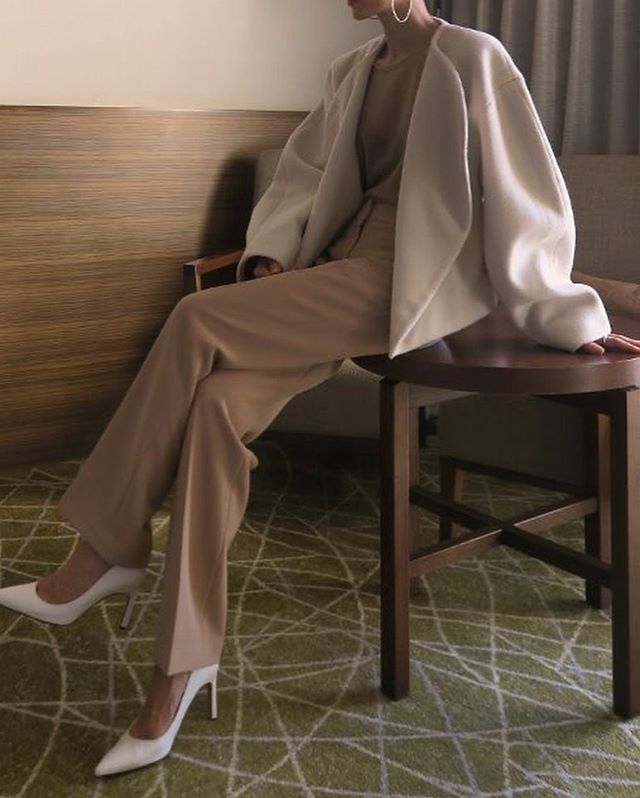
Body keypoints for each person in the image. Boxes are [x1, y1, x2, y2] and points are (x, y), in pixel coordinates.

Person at [2, 0, 640, 778]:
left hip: (404, 280)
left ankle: (106, 549)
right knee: (215, 411)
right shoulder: (352, 70)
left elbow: (528, 199)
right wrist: (272, 254)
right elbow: (301, 178)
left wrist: (569, 316)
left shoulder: (473, 56)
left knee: (196, 318)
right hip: (330, 275)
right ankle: (181, 668)